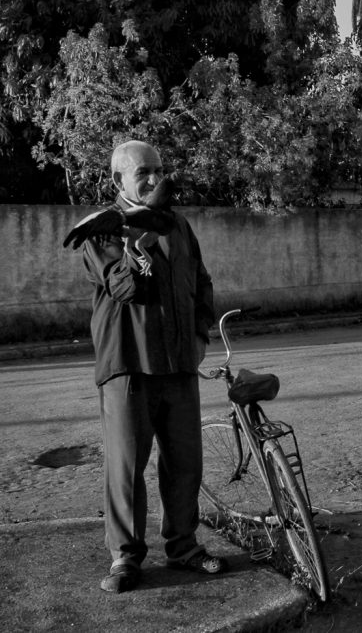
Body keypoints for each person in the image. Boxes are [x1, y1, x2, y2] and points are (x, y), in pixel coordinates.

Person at [77, 140, 226, 593]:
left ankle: (183, 547)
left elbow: (200, 281)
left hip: (179, 362)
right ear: (118, 178)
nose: (154, 179)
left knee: (185, 463)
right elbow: (124, 290)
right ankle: (125, 557)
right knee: (126, 468)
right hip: (129, 364)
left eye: (158, 170)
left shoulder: (178, 225)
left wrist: (199, 335)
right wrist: (136, 246)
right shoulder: (103, 230)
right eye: (143, 172)